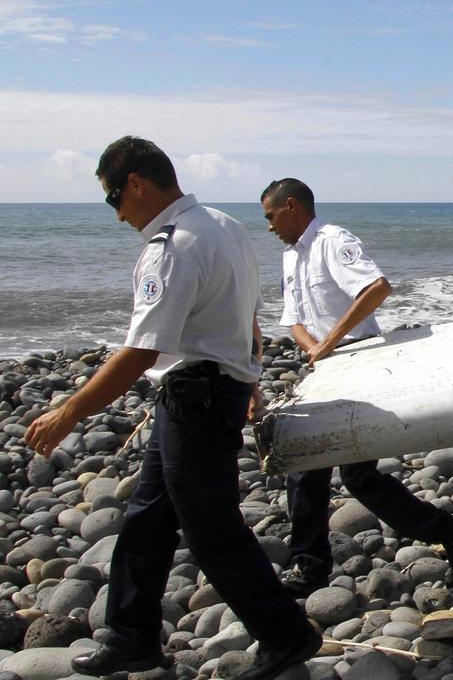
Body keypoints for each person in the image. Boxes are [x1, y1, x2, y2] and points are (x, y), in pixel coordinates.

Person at [25, 137, 320, 679]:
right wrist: (247, 374)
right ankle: (132, 635)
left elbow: (141, 351)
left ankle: (285, 632)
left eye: (114, 198)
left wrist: (70, 410)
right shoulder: (224, 226)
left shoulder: (174, 244)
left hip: (196, 398)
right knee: (147, 519)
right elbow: (243, 312)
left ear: (136, 183)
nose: (116, 215)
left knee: (210, 528)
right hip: (205, 390)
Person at [260, 178, 453, 595]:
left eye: (271, 216)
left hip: (359, 359)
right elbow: (293, 316)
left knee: (346, 471)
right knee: (319, 468)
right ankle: (450, 535)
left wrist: (330, 342)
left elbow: (376, 288)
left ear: (291, 206)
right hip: (324, 366)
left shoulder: (332, 241)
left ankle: (312, 565)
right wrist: (314, 348)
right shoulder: (291, 256)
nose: (269, 226)